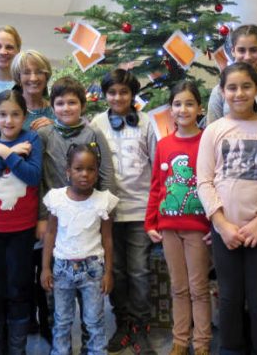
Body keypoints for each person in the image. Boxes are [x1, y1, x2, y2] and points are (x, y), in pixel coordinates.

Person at [197, 62, 257, 355]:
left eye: (246, 86)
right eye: (232, 87)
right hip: (225, 231)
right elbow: (204, 181)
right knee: (230, 297)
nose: (239, 93)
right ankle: (231, 349)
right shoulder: (214, 130)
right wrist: (221, 224)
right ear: (222, 92)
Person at [36, 76, 115, 343]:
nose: (66, 108)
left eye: (72, 102)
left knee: (90, 293)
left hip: (88, 214)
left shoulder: (92, 133)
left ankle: (89, 337)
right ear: (52, 105)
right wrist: (40, 217)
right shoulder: (44, 134)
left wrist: (104, 208)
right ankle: (57, 338)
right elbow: (37, 177)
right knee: (58, 282)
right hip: (56, 216)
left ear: (82, 105)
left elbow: (105, 173)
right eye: (60, 103)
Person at [90, 69, 157, 354]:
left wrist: (156, 209)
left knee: (140, 271)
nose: (118, 97)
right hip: (109, 212)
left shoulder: (146, 122)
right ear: (105, 95)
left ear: (133, 95)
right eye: (113, 92)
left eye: (124, 92)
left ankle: (141, 326)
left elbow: (156, 165)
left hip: (140, 209)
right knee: (115, 269)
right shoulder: (96, 123)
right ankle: (123, 322)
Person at [0, 90, 43, 354]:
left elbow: (33, 177)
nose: (9, 121)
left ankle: (17, 346)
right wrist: (8, 153)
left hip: (22, 230)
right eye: (3, 114)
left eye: (15, 114)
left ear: (24, 116)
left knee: (19, 286)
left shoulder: (32, 139)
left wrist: (6, 154)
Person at [145, 81, 212, 355]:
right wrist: (151, 221)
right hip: (169, 227)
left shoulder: (207, 140)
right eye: (177, 104)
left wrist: (214, 224)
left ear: (199, 108)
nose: (182, 109)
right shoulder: (164, 144)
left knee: (198, 287)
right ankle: (180, 341)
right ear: (170, 110)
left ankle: (202, 343)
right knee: (178, 287)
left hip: (198, 228)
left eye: (188, 103)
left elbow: (214, 184)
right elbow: (157, 186)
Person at [41, 144, 118, 355]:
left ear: (97, 171)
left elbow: (108, 238)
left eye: (91, 169)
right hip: (62, 269)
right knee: (62, 320)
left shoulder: (103, 201)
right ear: (68, 171)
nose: (84, 174)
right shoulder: (56, 199)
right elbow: (50, 234)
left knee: (94, 321)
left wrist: (109, 272)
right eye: (78, 168)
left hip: (93, 270)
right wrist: (45, 268)